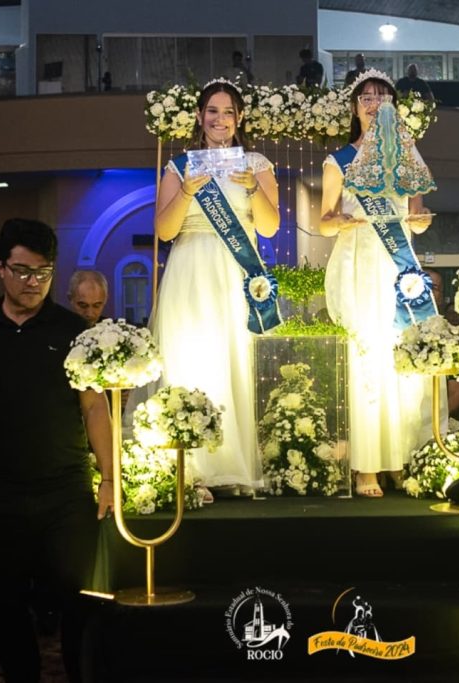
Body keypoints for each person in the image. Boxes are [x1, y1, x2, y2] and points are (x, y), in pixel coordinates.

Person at [0, 218, 113, 682]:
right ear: (0, 269)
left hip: (66, 489)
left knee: (79, 600)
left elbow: (95, 408)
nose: (32, 282)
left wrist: (109, 479)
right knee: (5, 604)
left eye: (43, 272)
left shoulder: (73, 329)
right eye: (21, 271)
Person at [149, 78, 280, 494]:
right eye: (212, 111)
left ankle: (230, 465)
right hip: (190, 269)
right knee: (189, 363)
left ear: (239, 117)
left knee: (231, 364)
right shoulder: (180, 166)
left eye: (228, 112)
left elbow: (271, 226)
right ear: (199, 117)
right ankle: (191, 469)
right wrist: (186, 193)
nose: (219, 120)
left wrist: (252, 188)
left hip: (233, 272)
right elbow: (165, 231)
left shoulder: (256, 164)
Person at [319, 70, 438, 497]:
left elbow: (418, 219)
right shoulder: (339, 161)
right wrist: (340, 221)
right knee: (367, 362)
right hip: (360, 262)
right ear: (355, 108)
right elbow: (324, 222)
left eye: (382, 97)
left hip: (399, 268)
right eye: (366, 98)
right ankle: (366, 464)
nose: (374, 104)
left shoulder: (408, 157)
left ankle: (401, 457)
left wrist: (420, 219)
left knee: (403, 365)